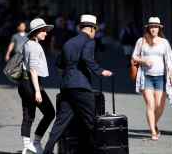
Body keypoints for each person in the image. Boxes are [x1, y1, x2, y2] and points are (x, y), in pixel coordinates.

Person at [43, 14, 112, 154]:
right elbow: (87, 58)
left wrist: (69, 74)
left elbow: (59, 64)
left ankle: (47, 151)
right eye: (95, 30)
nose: (95, 33)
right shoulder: (89, 42)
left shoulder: (69, 42)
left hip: (67, 87)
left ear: (81, 28)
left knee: (60, 122)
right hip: (81, 87)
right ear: (92, 29)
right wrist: (100, 71)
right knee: (91, 121)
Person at [132, 17, 172, 141]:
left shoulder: (164, 42)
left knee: (159, 105)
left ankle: (154, 124)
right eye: (151, 26)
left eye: (156, 27)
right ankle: (153, 131)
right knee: (150, 105)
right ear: (148, 28)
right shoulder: (141, 41)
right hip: (146, 77)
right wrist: (144, 60)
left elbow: (170, 59)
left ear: (159, 28)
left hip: (161, 77)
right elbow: (134, 56)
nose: (153, 29)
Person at [18, 18, 55, 154]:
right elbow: (33, 70)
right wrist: (38, 91)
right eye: (44, 31)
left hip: (24, 83)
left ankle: (27, 146)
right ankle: (36, 143)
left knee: (28, 115)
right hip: (31, 84)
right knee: (50, 112)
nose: (46, 33)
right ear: (37, 32)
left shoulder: (28, 43)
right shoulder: (33, 46)